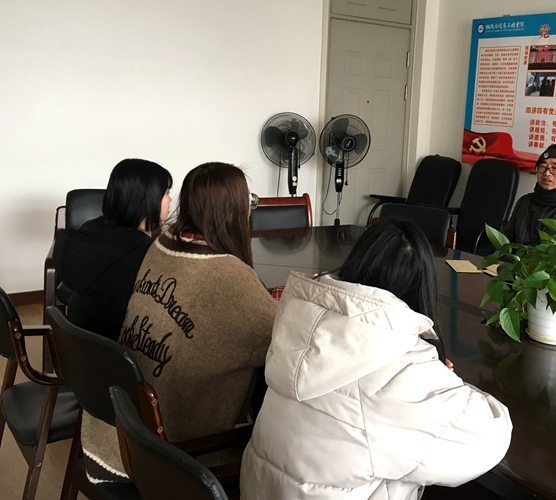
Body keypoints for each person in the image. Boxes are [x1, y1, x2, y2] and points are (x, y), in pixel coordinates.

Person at [240, 220, 513, 500]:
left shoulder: (301, 320)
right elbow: (489, 437)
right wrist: (445, 380)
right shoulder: (400, 368)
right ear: (423, 287)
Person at [81, 162, 278, 483]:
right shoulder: (230, 276)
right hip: (176, 454)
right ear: (234, 211)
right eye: (249, 201)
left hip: (122, 427)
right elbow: (285, 345)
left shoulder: (161, 243)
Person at [53, 158, 172, 340]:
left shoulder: (90, 229)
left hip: (79, 342)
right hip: (117, 349)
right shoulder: (140, 251)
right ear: (147, 197)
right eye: (166, 193)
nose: (170, 199)